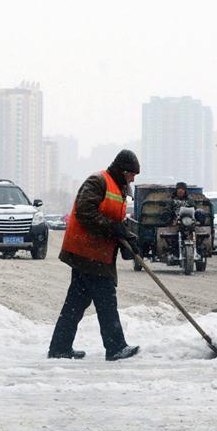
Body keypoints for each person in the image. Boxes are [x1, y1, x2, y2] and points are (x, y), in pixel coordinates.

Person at [48, 149, 142, 361]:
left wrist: (127, 235)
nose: (133, 179)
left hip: (96, 253)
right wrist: (113, 228)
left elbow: (114, 219)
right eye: (132, 174)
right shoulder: (98, 181)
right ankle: (116, 347)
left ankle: (60, 347)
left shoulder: (118, 187)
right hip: (88, 252)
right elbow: (85, 212)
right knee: (106, 300)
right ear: (122, 170)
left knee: (76, 302)